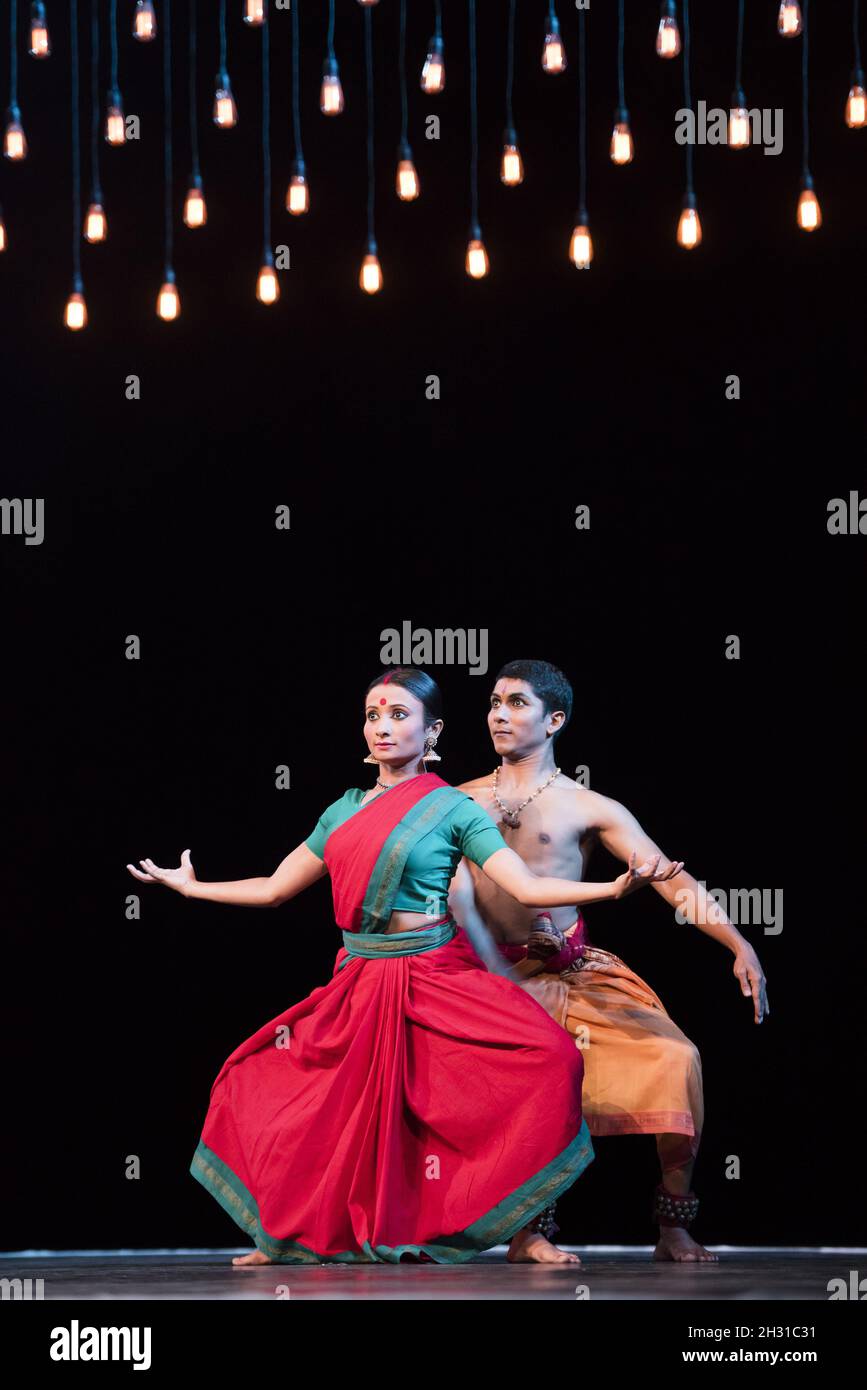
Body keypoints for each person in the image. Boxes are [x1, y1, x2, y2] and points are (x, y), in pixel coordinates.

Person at [127, 667, 680, 1267]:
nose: (382, 727)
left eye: (398, 715)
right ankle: (285, 1236)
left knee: (552, 1061)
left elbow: (523, 884)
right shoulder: (341, 811)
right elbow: (273, 889)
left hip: (434, 976)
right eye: (372, 715)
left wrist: (613, 889)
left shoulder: (454, 809)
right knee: (270, 1083)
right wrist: (192, 888)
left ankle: (527, 1232)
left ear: (432, 729)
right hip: (360, 979)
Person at [449, 659, 769, 1263]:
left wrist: (738, 944)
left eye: (517, 703)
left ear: (555, 720)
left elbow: (671, 882)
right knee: (537, 1080)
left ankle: (673, 1224)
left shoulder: (589, 806)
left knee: (676, 1060)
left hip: (574, 972)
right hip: (492, 978)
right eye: (494, 701)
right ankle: (528, 1230)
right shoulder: (458, 803)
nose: (498, 714)